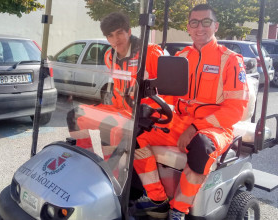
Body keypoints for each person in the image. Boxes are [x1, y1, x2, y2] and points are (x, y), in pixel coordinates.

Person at [132, 4, 249, 220]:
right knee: (135, 134)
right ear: (188, 27)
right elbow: (168, 96)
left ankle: (179, 210)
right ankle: (158, 199)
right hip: (181, 122)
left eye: (206, 22)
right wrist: (151, 108)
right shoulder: (181, 56)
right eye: (194, 22)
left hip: (215, 127)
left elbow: (235, 110)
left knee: (201, 147)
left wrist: (196, 127)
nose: (200, 27)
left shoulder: (230, 60)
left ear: (216, 26)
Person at [67, 12, 164, 161]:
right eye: (110, 36)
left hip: (143, 114)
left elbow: (167, 93)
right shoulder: (109, 56)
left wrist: (149, 109)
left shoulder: (150, 53)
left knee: (112, 128)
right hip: (119, 109)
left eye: (119, 33)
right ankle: (84, 159)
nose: (115, 40)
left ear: (129, 32)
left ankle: (114, 175)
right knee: (75, 115)